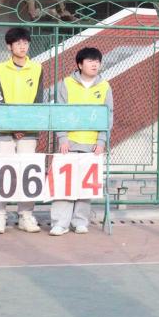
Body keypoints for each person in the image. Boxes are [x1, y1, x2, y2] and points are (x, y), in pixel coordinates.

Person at [50, 47, 112, 236]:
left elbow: (108, 116)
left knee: (86, 186)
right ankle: (60, 223)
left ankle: (80, 221)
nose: (95, 64)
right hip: (68, 143)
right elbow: (59, 113)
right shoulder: (66, 84)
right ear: (79, 64)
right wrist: (62, 137)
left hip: (92, 145)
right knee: (64, 184)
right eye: (90, 61)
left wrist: (101, 141)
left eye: (97, 61)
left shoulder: (105, 86)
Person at [0, 26, 45, 234]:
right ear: (9, 46)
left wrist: (24, 126)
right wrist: (12, 127)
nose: (22, 46)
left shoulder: (37, 68)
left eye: (25, 43)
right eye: (18, 43)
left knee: (28, 172)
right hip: (5, 130)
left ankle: (26, 216)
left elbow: (38, 100)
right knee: (3, 172)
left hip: (28, 131)